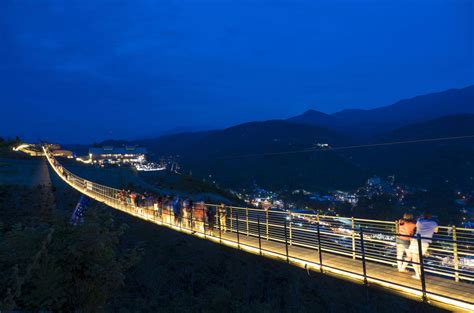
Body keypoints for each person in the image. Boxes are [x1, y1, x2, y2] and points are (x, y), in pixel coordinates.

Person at [402, 213, 438, 279]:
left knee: (415, 259)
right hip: (425, 242)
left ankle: (417, 274)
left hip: (416, 241)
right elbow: (436, 231)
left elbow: (416, 226)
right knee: (419, 258)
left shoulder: (419, 221)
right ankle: (420, 272)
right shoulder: (434, 223)